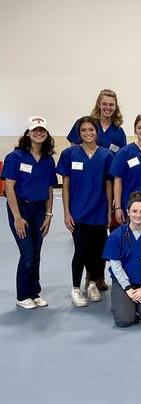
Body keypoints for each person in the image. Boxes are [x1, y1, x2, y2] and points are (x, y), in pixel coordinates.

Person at [57, 116, 113, 307]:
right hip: (78, 212)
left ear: (97, 132)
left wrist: (109, 210)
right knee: (80, 251)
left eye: (91, 130)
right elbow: (65, 186)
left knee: (97, 252)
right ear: (78, 133)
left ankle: (91, 284)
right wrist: (66, 213)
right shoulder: (70, 154)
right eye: (84, 130)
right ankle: (75, 288)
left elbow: (108, 184)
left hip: (98, 211)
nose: (88, 133)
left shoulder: (106, 156)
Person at [2, 116, 57, 309]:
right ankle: (22, 295)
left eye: (42, 130)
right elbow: (9, 188)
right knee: (27, 254)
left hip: (40, 210)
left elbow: (50, 188)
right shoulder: (15, 157)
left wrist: (49, 215)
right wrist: (17, 217)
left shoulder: (48, 160)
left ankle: (34, 292)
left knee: (37, 254)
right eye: (35, 130)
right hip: (21, 209)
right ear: (28, 133)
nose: (39, 133)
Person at [102, 192, 141, 327]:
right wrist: (128, 288)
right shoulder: (117, 236)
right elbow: (116, 266)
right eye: (134, 211)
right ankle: (124, 303)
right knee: (124, 320)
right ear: (128, 212)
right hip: (124, 283)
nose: (138, 215)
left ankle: (139, 304)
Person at [110, 114, 141, 225]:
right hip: (129, 206)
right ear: (135, 130)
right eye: (140, 127)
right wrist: (117, 207)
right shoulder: (125, 152)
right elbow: (117, 180)